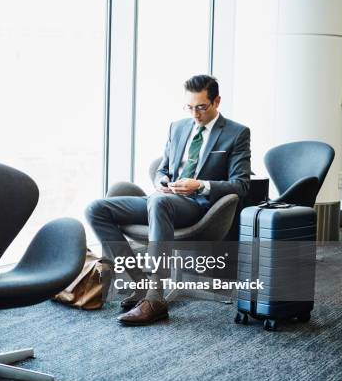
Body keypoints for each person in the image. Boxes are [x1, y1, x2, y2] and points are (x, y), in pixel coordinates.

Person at [85, 74, 251, 325]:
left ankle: (155, 297)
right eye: (190, 107)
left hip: (200, 207)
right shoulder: (177, 127)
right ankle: (140, 282)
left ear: (217, 101)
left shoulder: (236, 133)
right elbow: (163, 168)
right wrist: (160, 182)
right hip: (163, 199)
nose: (195, 114)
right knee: (96, 209)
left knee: (158, 203)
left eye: (201, 107)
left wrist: (200, 184)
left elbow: (241, 185)